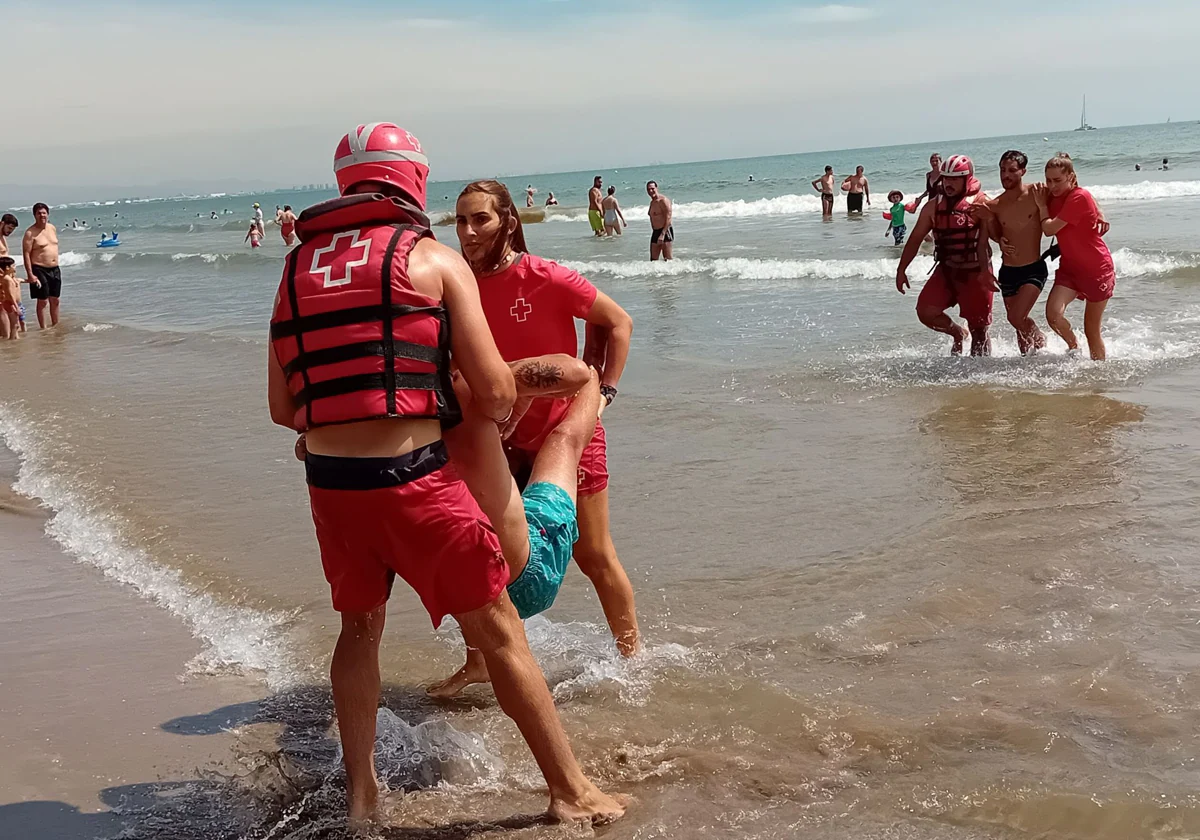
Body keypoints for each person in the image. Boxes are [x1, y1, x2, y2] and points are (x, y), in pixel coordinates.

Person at [267, 123, 623, 827]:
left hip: (333, 489)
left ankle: (363, 800)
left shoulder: (297, 267)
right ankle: (570, 791)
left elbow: (285, 409)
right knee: (499, 630)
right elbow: (492, 396)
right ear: (412, 180)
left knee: (359, 630)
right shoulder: (427, 257)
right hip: (414, 484)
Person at [436, 179, 639, 695]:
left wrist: (603, 391)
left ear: (508, 221)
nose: (467, 231)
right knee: (481, 557)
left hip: (565, 437)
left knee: (592, 555)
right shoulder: (454, 285)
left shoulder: (543, 276)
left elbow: (616, 322)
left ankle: (632, 658)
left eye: (479, 218)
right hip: (497, 444)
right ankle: (481, 660)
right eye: (460, 220)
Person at [895, 155, 995, 356]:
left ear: (967, 178)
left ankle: (979, 380)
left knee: (979, 331)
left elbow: (1001, 236)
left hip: (976, 273)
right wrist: (901, 269)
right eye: (946, 178)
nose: (948, 183)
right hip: (947, 271)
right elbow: (915, 239)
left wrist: (991, 218)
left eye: (955, 179)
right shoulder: (933, 206)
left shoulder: (981, 203)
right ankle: (958, 333)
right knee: (926, 312)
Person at [1036, 152, 1115, 360]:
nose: (1052, 186)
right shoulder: (1052, 194)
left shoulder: (1078, 197)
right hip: (1070, 268)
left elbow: (1050, 229)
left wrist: (1043, 207)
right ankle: (1073, 348)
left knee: (1091, 330)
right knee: (1053, 315)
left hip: (1096, 269)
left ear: (1071, 177)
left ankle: (1099, 378)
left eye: (1058, 181)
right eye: (1049, 180)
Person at [970, 151, 1048, 355]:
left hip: (1033, 269)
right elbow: (991, 237)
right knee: (1018, 325)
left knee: (1015, 317)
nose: (1006, 175)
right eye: (1003, 170)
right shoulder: (995, 205)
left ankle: (1039, 337)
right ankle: (1027, 363)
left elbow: (1072, 194)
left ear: (1023, 171)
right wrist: (990, 221)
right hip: (1008, 272)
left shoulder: (1038, 193)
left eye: (1012, 170)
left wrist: (1098, 213)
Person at [22, 203, 60, 329]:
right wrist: (30, 274)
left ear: (48, 214)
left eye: (44, 213)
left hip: (55, 268)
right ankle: (43, 328)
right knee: (43, 301)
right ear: (34, 215)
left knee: (55, 300)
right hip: (39, 269)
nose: (42, 215)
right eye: (39, 213)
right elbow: (26, 254)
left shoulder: (52, 228)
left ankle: (55, 324)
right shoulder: (30, 233)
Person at [0, 257, 26, 340]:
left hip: (9, 303)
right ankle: (11, 342)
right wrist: (16, 307)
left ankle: (15, 338)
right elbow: (10, 295)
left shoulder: (7, 278)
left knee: (15, 324)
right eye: (13, 265)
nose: (15, 267)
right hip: (10, 303)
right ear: (7, 267)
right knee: (15, 325)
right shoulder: (7, 279)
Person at [647, 180, 673, 260]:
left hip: (665, 231)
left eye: (652, 188)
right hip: (655, 231)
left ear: (656, 188)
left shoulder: (663, 200)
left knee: (667, 259)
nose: (651, 191)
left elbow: (668, 217)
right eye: (648, 189)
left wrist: (662, 234)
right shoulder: (652, 202)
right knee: (653, 260)